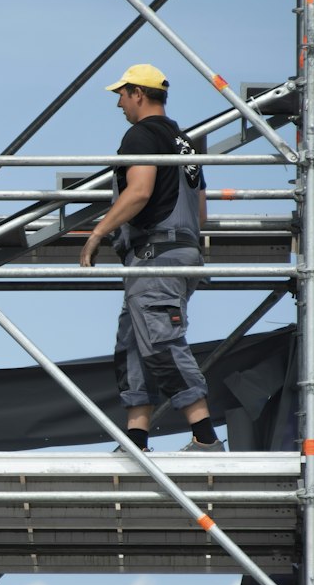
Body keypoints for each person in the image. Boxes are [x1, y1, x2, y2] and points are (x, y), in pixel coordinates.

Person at [78, 63, 224, 453]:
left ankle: (206, 437)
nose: (120, 104)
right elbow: (200, 210)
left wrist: (98, 233)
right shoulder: (185, 142)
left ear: (138, 94)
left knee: (160, 341)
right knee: (134, 342)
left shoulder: (141, 134)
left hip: (155, 254)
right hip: (178, 251)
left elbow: (139, 191)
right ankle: (136, 440)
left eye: (121, 95)